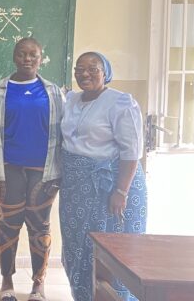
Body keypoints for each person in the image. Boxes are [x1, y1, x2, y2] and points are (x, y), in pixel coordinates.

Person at [0, 37, 64, 301]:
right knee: (8, 225)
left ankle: (39, 283)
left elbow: (63, 136)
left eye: (33, 55)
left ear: (41, 58)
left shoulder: (53, 92)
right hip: (9, 171)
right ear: (14, 56)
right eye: (22, 54)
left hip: (44, 173)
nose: (27, 59)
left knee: (40, 227)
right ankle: (6, 280)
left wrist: (58, 173)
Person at [59, 52, 148, 301]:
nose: (84, 73)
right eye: (79, 68)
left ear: (105, 72)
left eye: (93, 68)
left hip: (110, 188)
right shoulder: (71, 99)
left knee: (111, 250)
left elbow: (131, 152)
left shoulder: (121, 103)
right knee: (78, 246)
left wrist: (121, 192)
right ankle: (84, 296)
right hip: (77, 189)